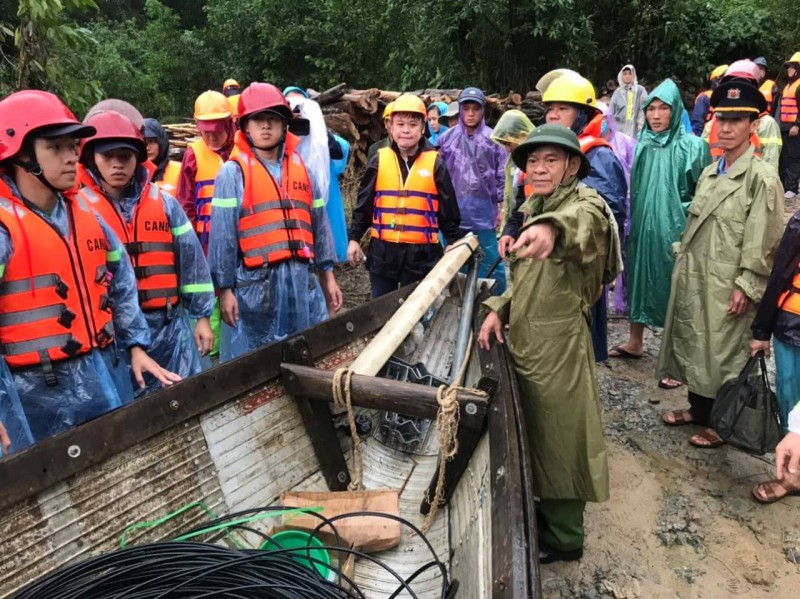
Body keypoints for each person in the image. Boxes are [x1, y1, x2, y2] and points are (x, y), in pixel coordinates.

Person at [0, 91, 179, 452]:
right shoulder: (4, 226)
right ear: (21, 155)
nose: (72, 157)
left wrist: (136, 345)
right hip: (37, 393)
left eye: (72, 145)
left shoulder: (85, 212)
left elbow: (121, 282)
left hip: (103, 370)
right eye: (57, 148)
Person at [478, 125, 621, 564]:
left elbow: (585, 226)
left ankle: (564, 540)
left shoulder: (582, 204)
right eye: (533, 161)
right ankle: (544, 514)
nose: (539, 169)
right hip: (527, 334)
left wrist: (552, 229)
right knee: (536, 433)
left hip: (559, 343)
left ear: (572, 166)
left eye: (551, 160)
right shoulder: (536, 204)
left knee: (562, 437)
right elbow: (527, 279)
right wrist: (498, 308)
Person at [658, 81, 784, 448]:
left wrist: (747, 284)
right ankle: (698, 410)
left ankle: (723, 421)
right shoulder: (712, 171)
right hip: (699, 274)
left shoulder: (760, 178)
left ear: (753, 125)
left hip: (730, 280)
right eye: (720, 119)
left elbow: (764, 239)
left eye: (736, 120)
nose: (725, 127)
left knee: (726, 351)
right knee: (699, 344)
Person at [76, 110, 215, 395]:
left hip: (169, 326)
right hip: (114, 339)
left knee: (187, 399)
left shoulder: (164, 203)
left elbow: (191, 261)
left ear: (138, 159)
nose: (117, 164)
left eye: (125, 156)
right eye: (108, 156)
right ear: (91, 158)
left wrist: (201, 316)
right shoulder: (79, 211)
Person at [207, 83, 342, 362]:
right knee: (262, 362)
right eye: (258, 119)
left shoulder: (302, 169)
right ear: (245, 126)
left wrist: (327, 278)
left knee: (310, 353)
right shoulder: (233, 174)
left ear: (284, 125)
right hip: (258, 288)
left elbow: (319, 226)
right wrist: (225, 291)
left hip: (303, 282)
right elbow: (222, 239)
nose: (265, 126)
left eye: (273, 119)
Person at [504, 73, 626, 362]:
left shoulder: (596, 155)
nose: (554, 114)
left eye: (563, 108)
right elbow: (525, 192)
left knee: (575, 343)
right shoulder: (546, 147)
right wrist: (511, 227)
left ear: (583, 114)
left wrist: (558, 228)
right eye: (550, 108)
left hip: (576, 262)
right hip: (540, 252)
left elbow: (602, 210)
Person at [609, 79, 711, 382]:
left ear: (675, 110)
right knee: (639, 280)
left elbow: (702, 193)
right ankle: (636, 341)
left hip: (676, 231)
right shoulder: (643, 145)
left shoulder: (692, 146)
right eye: (650, 108)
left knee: (677, 291)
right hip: (643, 227)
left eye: (663, 108)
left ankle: (679, 361)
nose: (655, 115)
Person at [347, 94, 463, 297]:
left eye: (412, 124)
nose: (406, 130)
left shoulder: (436, 163)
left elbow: (447, 208)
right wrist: (354, 238)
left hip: (422, 254)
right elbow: (364, 204)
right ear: (390, 127)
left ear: (422, 127)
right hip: (383, 253)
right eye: (400, 124)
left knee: (418, 313)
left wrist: (452, 241)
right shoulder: (378, 160)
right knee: (381, 313)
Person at [750, 208, 800, 502]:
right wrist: (761, 331)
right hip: (792, 329)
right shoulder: (798, 223)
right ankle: (791, 474)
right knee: (789, 401)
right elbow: (779, 275)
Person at [438, 86, 508, 294]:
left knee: (491, 263)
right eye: (466, 108)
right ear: (459, 110)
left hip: (484, 214)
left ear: (483, 111)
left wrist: (502, 209)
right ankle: (460, 307)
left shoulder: (493, 140)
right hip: (454, 214)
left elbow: (502, 175)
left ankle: (494, 306)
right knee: (455, 261)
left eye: (475, 109)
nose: (470, 113)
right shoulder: (445, 140)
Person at [177, 90, 237, 253]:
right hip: (206, 247)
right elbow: (185, 204)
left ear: (229, 123)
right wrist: (190, 245)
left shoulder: (243, 150)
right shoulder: (193, 155)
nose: (212, 138)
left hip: (242, 245)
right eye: (206, 133)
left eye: (217, 131)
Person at [702, 60, 782, 169]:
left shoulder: (767, 123)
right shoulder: (712, 124)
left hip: (751, 182)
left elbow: (771, 162)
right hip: (715, 179)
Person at [597, 100, 637, 315]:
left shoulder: (626, 143)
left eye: (604, 119)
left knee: (623, 254)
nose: (601, 123)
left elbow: (635, 175)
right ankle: (600, 305)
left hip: (624, 207)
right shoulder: (588, 145)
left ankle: (623, 303)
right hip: (598, 210)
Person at [489, 109, 535, 230]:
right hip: (516, 220)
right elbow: (510, 192)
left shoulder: (536, 159)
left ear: (522, 136)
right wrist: (504, 211)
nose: (507, 149)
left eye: (509, 144)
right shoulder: (512, 160)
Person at [778, 52, 800, 199]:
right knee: (784, 157)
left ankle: (792, 188)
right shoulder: (788, 86)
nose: (788, 70)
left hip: (794, 127)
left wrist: (797, 125)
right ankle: (785, 186)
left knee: (794, 157)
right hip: (785, 126)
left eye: (791, 67)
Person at [143, 118, 181, 195]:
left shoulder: (179, 171)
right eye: (143, 142)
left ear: (161, 143)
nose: (147, 148)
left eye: (151, 141)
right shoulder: (132, 175)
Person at [610, 64, 648, 138]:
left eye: (630, 74)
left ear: (633, 75)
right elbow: (611, 111)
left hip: (636, 130)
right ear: (621, 76)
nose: (627, 76)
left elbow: (644, 107)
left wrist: (641, 124)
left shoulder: (640, 90)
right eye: (625, 74)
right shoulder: (617, 92)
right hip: (619, 130)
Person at [691, 65, 728, 136]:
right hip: (706, 138)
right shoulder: (705, 98)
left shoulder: (729, 98)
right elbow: (697, 123)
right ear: (717, 80)